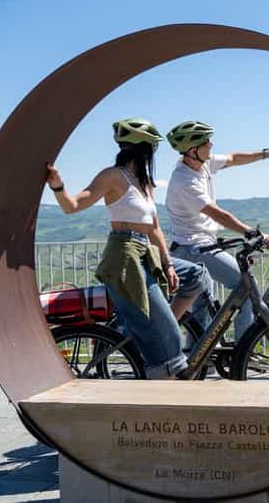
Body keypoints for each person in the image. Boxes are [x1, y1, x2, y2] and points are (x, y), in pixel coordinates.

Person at [46, 118, 208, 379]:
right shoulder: (113, 176)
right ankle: (159, 373)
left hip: (146, 253)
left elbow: (154, 228)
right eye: (152, 148)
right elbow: (71, 206)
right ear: (144, 149)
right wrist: (58, 185)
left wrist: (168, 264)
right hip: (124, 256)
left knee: (196, 276)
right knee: (169, 339)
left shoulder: (143, 182)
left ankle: (143, 333)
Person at [165, 120, 269, 341]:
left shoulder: (201, 164)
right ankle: (244, 352)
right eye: (207, 141)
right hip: (192, 249)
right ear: (193, 150)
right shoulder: (184, 181)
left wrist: (268, 154)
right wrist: (251, 232)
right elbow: (218, 214)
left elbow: (233, 158)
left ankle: (199, 366)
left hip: (198, 246)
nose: (212, 144)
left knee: (201, 310)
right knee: (244, 286)